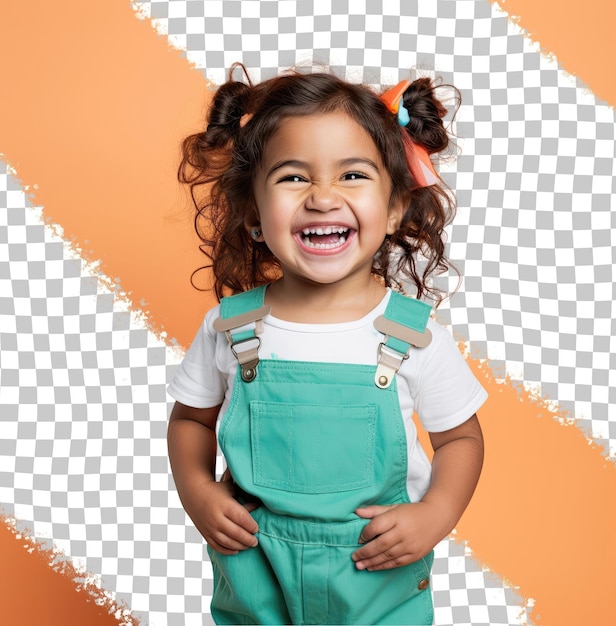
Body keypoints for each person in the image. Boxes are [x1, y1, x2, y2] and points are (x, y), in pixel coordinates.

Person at [167, 63, 487, 625]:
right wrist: (197, 490)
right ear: (254, 216)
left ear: (394, 209)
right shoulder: (232, 326)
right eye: (293, 177)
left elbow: (461, 438)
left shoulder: (412, 335)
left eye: (353, 176)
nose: (321, 197)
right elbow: (191, 420)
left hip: (377, 583)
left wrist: (435, 513)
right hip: (255, 575)